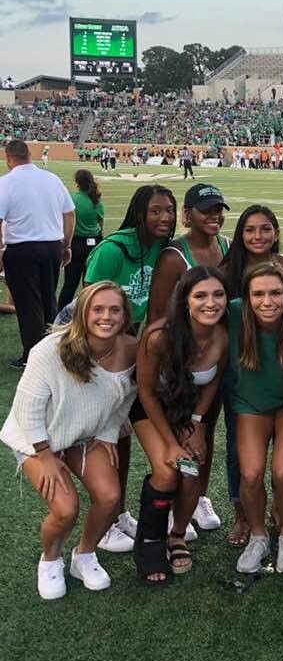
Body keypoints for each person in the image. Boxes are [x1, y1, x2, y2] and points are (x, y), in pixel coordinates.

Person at [0, 282, 137, 599]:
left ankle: (84, 555)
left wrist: (106, 435)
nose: (106, 317)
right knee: (65, 509)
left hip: (83, 435)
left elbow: (125, 401)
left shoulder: (132, 348)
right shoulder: (50, 349)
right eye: (97, 309)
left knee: (110, 497)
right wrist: (46, 456)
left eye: (114, 310)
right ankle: (50, 560)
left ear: (125, 315)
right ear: (83, 314)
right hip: (37, 438)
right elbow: (27, 409)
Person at [84, 185, 177, 553]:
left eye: (169, 211)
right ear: (139, 212)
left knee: (122, 439)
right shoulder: (111, 250)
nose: (164, 218)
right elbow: (90, 306)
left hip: (140, 354)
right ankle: (104, 520)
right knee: (103, 439)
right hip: (108, 355)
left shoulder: (164, 250)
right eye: (156, 211)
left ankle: (119, 514)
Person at [131, 267, 229, 584]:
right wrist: (171, 443)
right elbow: (145, 391)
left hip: (186, 412)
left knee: (192, 471)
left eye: (218, 294)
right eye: (200, 295)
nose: (210, 303)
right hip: (150, 409)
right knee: (168, 470)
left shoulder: (223, 336)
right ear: (185, 300)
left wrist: (198, 423)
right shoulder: (159, 337)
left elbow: (212, 383)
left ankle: (177, 535)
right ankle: (149, 542)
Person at [229, 262, 283, 574]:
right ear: (247, 297)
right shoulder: (234, 313)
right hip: (250, 403)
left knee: (282, 471)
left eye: (276, 293)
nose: (268, 301)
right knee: (250, 474)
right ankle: (258, 536)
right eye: (259, 294)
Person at [219, 204, 283, 545]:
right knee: (240, 452)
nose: (258, 236)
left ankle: (282, 512)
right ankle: (243, 514)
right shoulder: (228, 271)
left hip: (280, 373)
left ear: (276, 233)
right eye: (250, 229)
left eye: (265, 229)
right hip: (240, 374)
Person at [0, 139, 75, 370]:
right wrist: (66, 245)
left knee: (28, 304)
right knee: (48, 299)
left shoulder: (6, 182)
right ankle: (54, 351)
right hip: (52, 246)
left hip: (22, 248)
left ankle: (33, 357)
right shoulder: (51, 179)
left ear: (8, 158)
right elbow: (70, 214)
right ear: (29, 155)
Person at [147, 184, 230, 324]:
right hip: (186, 340)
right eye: (206, 211)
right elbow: (157, 314)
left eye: (218, 210)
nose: (214, 216)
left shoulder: (229, 247)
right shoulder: (173, 257)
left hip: (223, 339)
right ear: (187, 214)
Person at [57, 169, 104, 311]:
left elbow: (65, 221)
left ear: (77, 183)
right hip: (94, 244)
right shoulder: (96, 200)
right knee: (90, 285)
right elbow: (101, 223)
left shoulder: (72, 198)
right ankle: (87, 316)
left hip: (76, 244)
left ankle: (61, 317)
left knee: (70, 284)